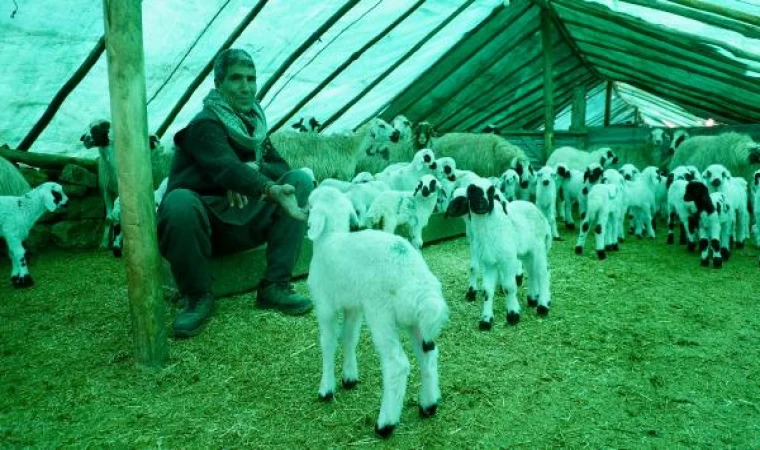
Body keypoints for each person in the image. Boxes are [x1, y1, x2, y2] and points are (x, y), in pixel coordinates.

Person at [157, 48, 314, 339]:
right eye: (236, 79)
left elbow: (279, 166)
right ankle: (197, 296)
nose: (246, 87)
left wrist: (249, 169)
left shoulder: (253, 126)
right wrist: (255, 182)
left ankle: (275, 285)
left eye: (251, 78)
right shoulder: (205, 124)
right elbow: (224, 166)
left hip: (244, 218)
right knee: (178, 201)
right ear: (219, 84)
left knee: (300, 180)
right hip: (206, 226)